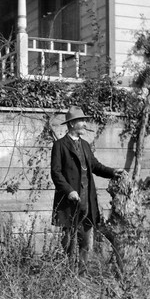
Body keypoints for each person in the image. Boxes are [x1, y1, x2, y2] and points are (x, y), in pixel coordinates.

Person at [50, 106, 127, 276]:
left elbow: (95, 166)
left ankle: (81, 276)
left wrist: (113, 172)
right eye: (81, 121)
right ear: (71, 124)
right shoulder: (60, 146)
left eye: (84, 121)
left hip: (87, 200)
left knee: (85, 242)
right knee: (69, 242)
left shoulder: (85, 145)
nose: (85, 124)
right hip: (70, 201)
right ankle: (68, 277)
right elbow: (56, 173)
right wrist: (69, 191)